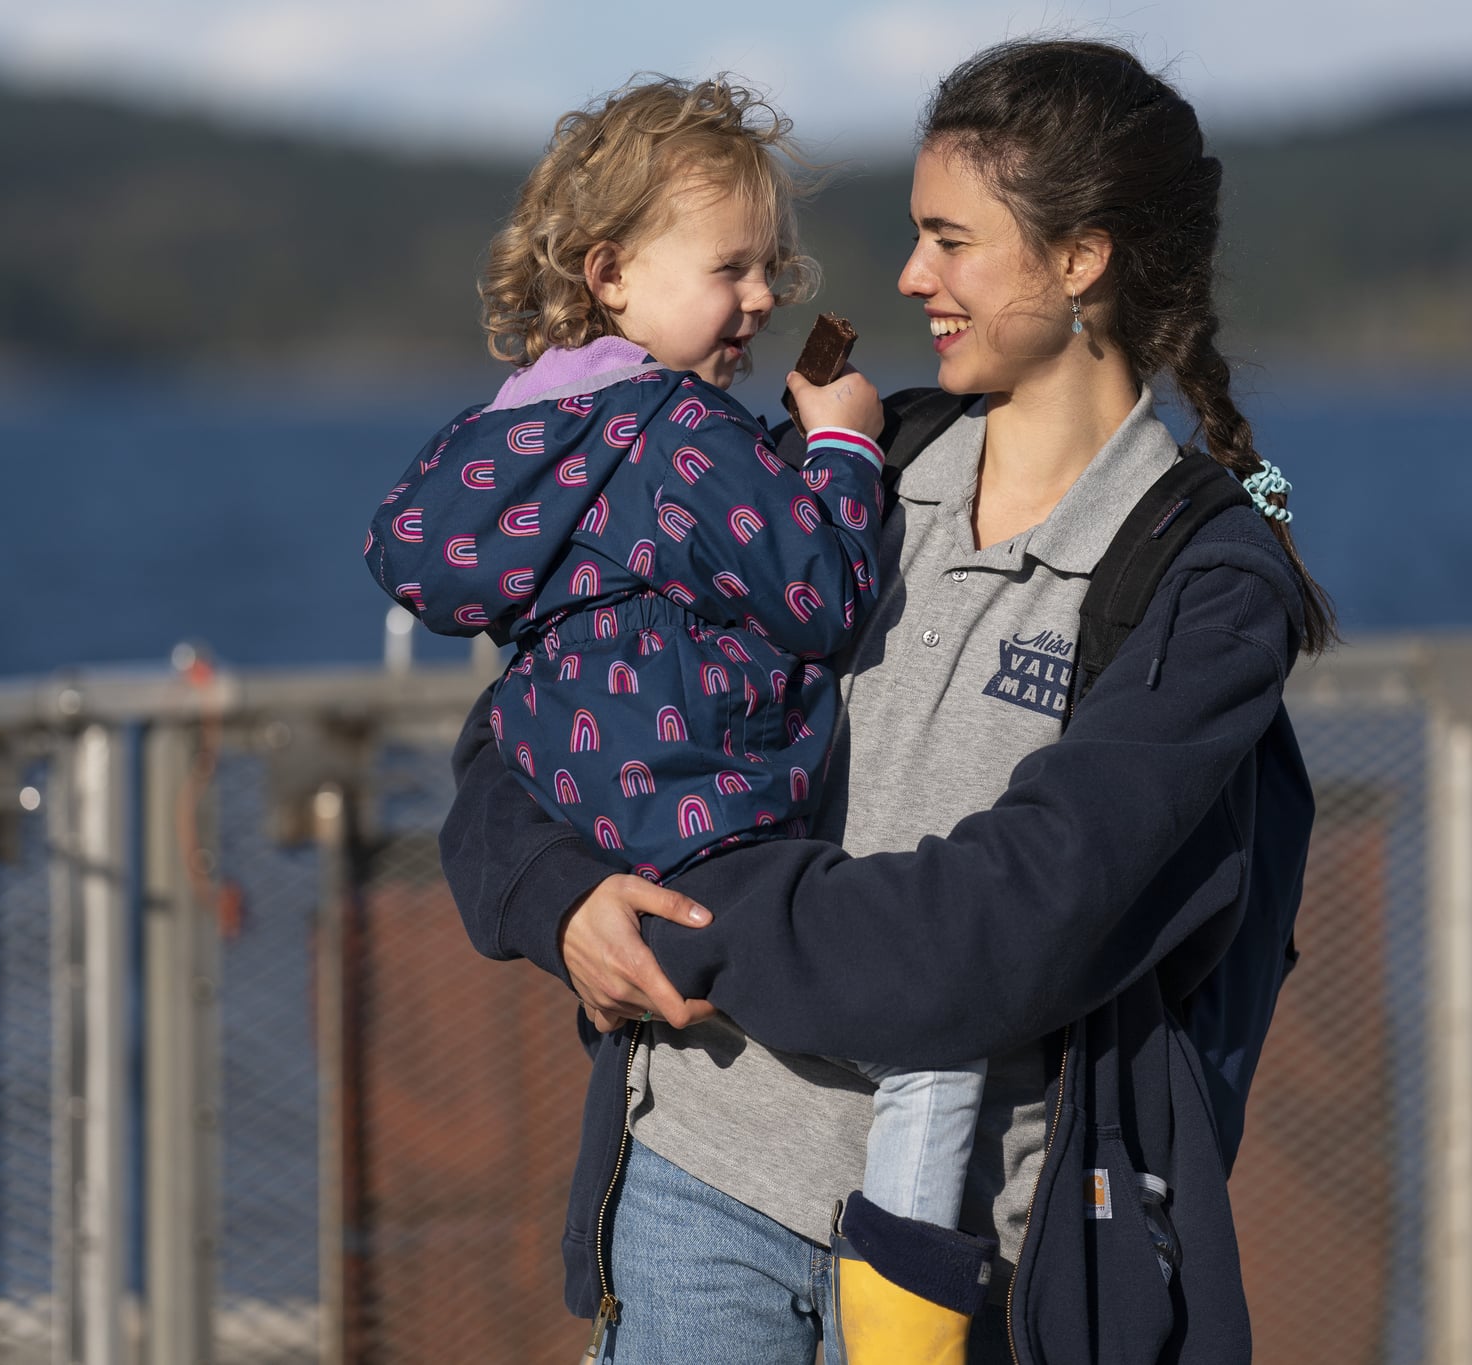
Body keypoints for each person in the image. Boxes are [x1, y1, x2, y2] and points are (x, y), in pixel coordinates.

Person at [436, 38, 1334, 1365]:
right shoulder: (834, 473)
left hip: (977, 1266)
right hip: (699, 1189)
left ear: (1081, 258)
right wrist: (558, 896)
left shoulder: (1207, 586)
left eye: (950, 240)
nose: (911, 279)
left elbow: (991, 932)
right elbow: (525, 733)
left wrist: (692, 919)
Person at [363, 73, 998, 1329]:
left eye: (772, 269)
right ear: (610, 273)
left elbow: (432, 569)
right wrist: (838, 445)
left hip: (593, 822)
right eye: (732, 269)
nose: (763, 298)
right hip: (710, 826)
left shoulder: (516, 432)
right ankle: (917, 1277)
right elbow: (816, 589)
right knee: (933, 1044)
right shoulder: (671, 429)